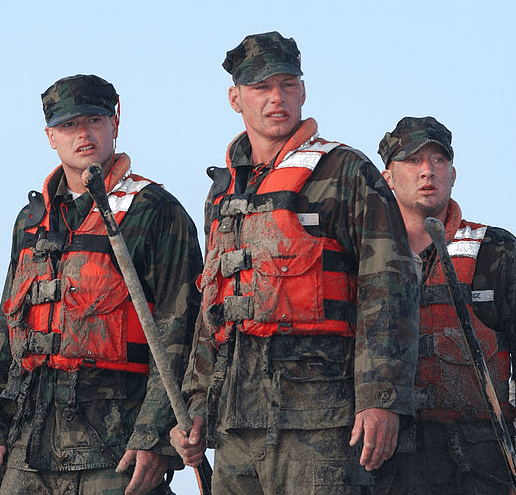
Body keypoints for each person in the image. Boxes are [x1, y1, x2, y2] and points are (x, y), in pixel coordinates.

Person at [170, 32, 420, 494]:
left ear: (303, 91)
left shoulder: (346, 171)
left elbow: (389, 289)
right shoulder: (223, 193)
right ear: (235, 98)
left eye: (287, 85)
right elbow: (214, 307)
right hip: (235, 426)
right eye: (261, 88)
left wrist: (382, 400)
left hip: (322, 423)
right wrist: (196, 404)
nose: (276, 98)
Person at [0, 74, 203, 495]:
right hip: (28, 448)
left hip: (115, 451)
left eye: (95, 120)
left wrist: (152, 436)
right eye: (68, 126)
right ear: (50, 136)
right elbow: (7, 333)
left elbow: (179, 332)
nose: (83, 134)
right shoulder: (31, 222)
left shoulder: (155, 212)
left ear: (115, 122)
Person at [371, 116, 516, 495]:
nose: (427, 171)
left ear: (453, 173)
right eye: (412, 161)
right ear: (388, 177)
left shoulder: (498, 252)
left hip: (481, 465)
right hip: (387, 467)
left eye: (439, 160)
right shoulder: (361, 256)